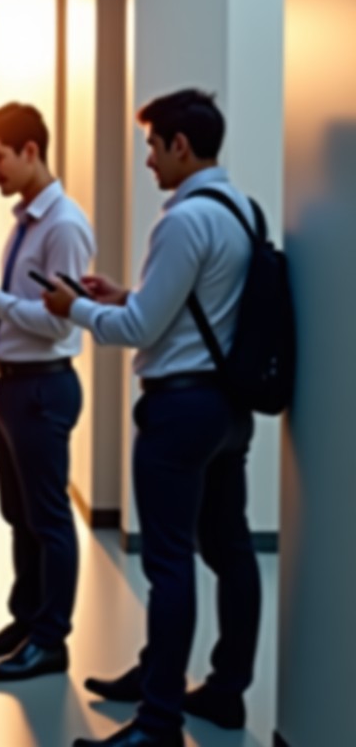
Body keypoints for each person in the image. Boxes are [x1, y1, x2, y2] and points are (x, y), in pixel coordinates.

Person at [44, 89, 260, 747]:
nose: (148, 160)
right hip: (227, 408)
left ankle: (158, 720)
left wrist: (72, 307)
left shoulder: (184, 220)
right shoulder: (242, 211)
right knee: (231, 549)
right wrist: (122, 293)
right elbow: (193, 309)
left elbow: (137, 330)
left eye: (152, 146)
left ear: (180, 147)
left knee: (168, 564)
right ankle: (225, 692)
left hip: (177, 412)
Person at [0, 102, 95, 682]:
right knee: (19, 514)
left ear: (30, 151)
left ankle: (50, 639)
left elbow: (60, 321)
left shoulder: (63, 225)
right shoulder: (28, 221)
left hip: (42, 389)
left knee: (48, 518)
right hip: (12, 385)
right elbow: (22, 313)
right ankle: (26, 621)